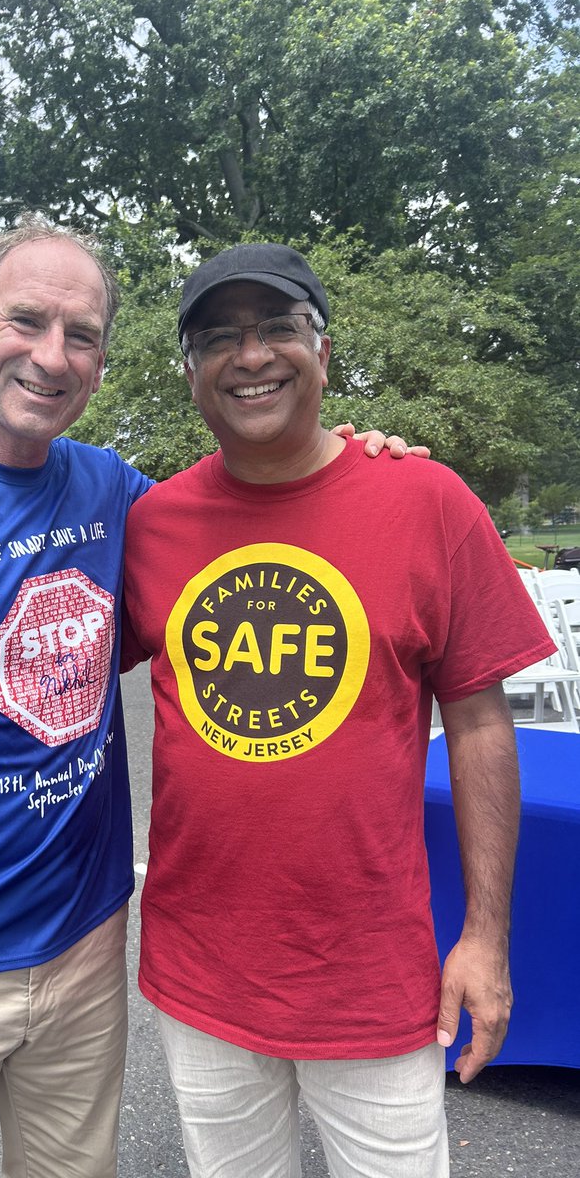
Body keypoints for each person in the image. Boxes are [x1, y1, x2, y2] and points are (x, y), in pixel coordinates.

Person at [0, 216, 417, 1178]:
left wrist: (351, 454)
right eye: (27, 321)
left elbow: (249, 514)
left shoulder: (116, 495)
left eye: (83, 335)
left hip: (86, 941)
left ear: (104, 361)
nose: (52, 356)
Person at [121, 243, 556, 1178]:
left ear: (323, 349)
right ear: (190, 369)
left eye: (279, 328)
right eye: (219, 337)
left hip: (369, 974)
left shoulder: (427, 499)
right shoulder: (152, 524)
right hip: (201, 969)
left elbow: (481, 726)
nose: (251, 356)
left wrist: (486, 939)